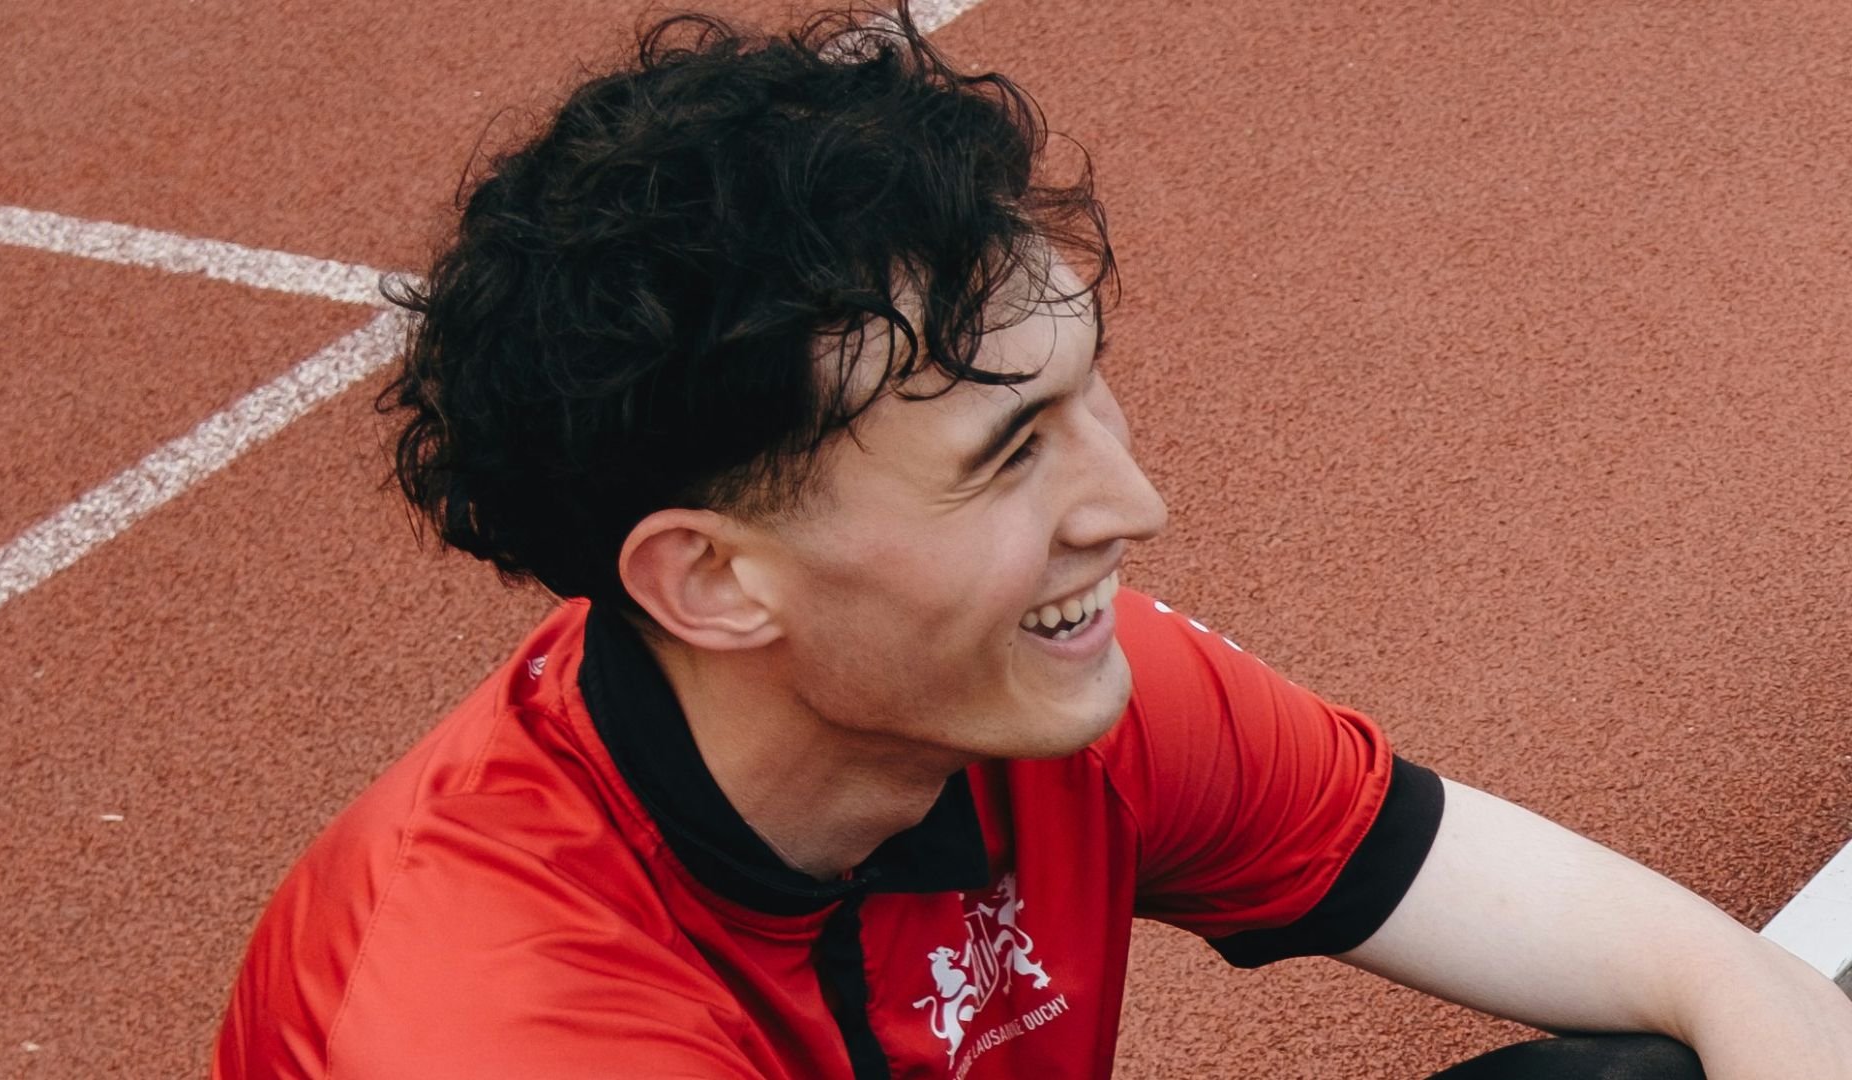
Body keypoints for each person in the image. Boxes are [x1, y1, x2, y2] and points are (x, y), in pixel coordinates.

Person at [211, 5, 1852, 1078]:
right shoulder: (493, 1018)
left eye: (1084, 397)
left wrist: (1760, 1016)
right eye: (1005, 457)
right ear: (712, 581)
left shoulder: (1034, 684)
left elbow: (1689, 966)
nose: (1128, 508)